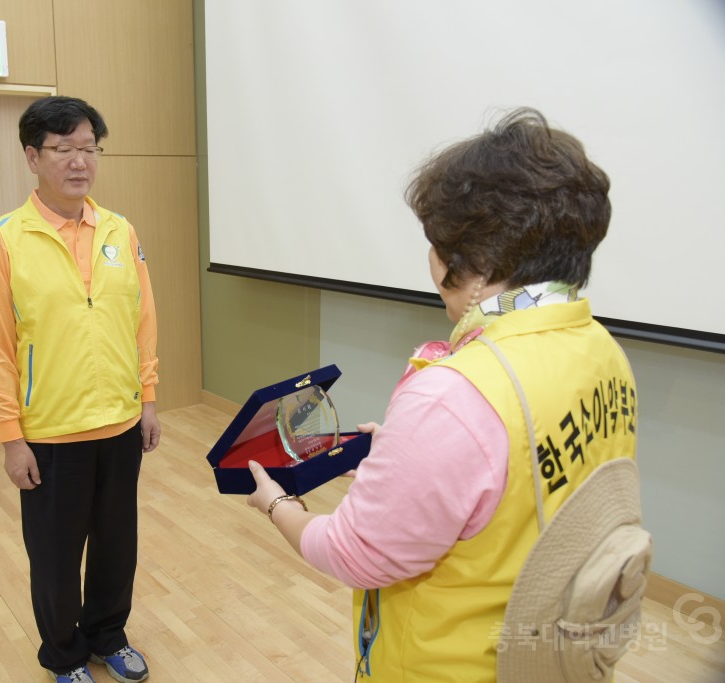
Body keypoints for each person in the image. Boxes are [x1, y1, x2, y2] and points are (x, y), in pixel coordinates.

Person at [246, 108, 639, 681]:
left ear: (474, 266)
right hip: (552, 651)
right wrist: (411, 459)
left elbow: (356, 554)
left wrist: (279, 506)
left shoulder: (455, 394)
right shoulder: (600, 348)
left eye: (436, 244)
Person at [0, 95, 160, 683]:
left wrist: (148, 399)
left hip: (121, 423)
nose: (79, 162)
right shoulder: (5, 240)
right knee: (55, 558)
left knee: (116, 546)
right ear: (33, 157)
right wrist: (11, 438)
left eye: (89, 149)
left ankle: (108, 634)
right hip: (50, 432)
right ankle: (63, 655)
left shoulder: (120, 230)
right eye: (64, 149)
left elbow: (142, 319)